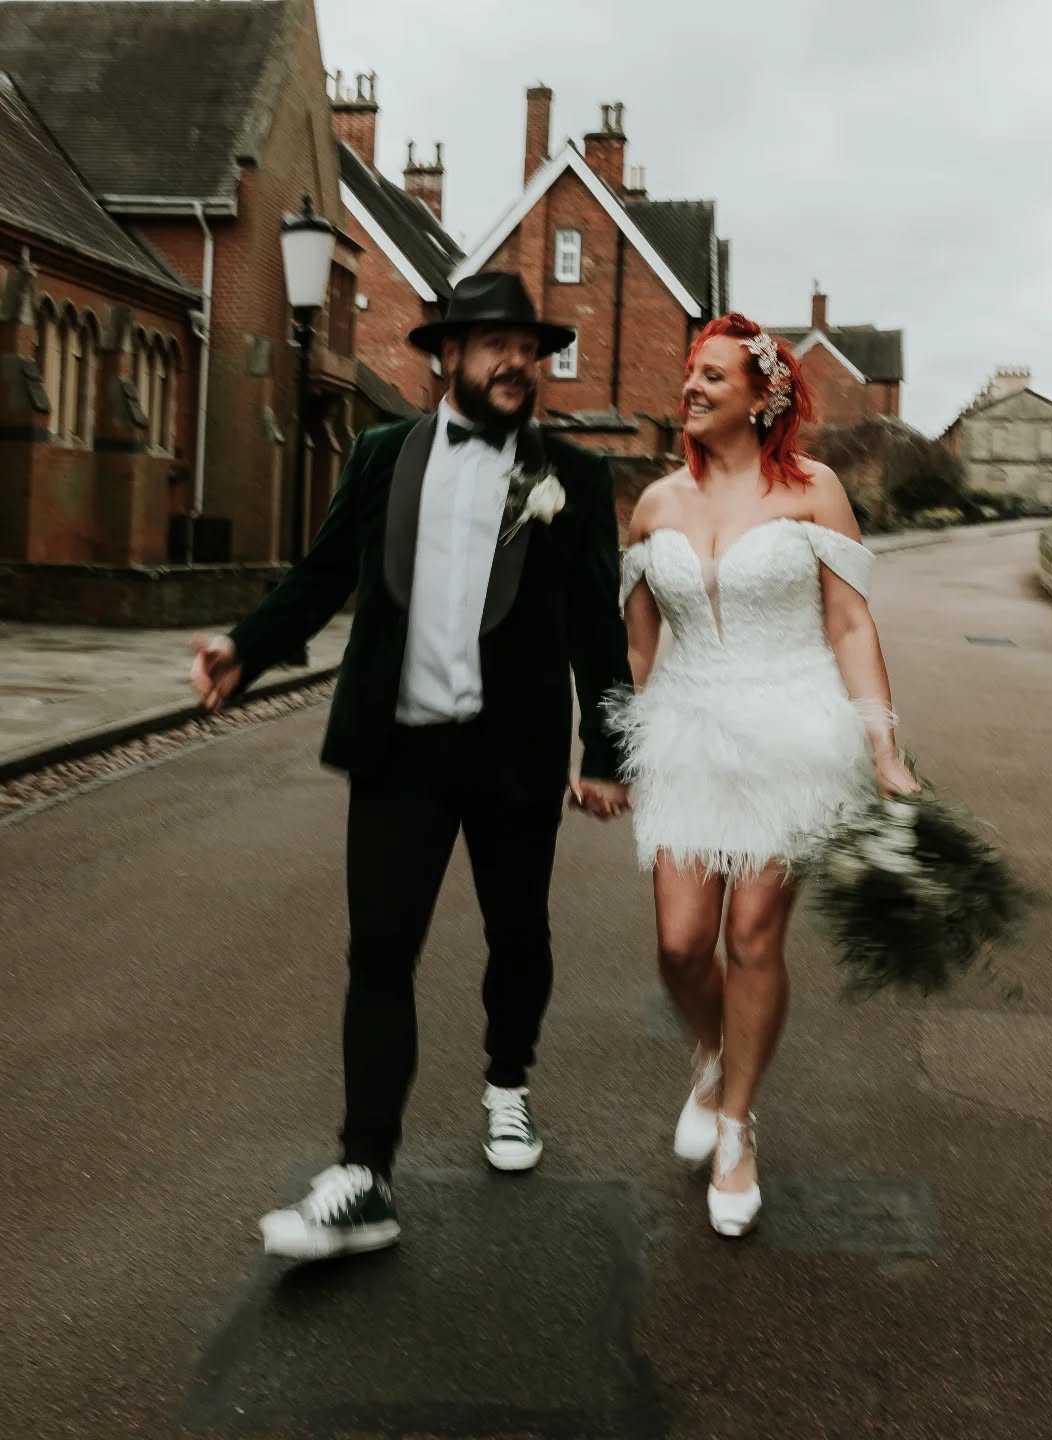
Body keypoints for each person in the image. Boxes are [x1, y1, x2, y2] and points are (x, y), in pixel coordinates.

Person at [188, 272, 631, 1260]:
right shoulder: (383, 453)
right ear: (449, 357)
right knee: (379, 954)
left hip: (512, 751)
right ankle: (364, 1171)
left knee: (519, 935)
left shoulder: (575, 478)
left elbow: (599, 626)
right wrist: (245, 648)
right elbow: (322, 573)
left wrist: (608, 749)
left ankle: (507, 1086)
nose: (517, 363)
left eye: (530, 347)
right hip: (401, 749)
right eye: (494, 346)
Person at [612, 314, 917, 1238]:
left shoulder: (815, 491)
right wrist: (615, 754)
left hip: (793, 731)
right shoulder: (656, 505)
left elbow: (850, 626)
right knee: (678, 943)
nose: (691, 388)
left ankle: (737, 1124)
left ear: (762, 397)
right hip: (687, 734)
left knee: (751, 933)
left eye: (712, 376)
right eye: (690, 374)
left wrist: (884, 749)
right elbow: (635, 644)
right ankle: (711, 1052)